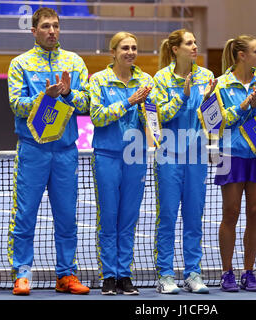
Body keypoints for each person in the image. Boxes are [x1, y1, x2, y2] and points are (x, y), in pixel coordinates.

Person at [7, 7, 90, 295]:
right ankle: (22, 273)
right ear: (34, 31)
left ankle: (66, 275)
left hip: (66, 151)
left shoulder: (75, 62)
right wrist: (45, 96)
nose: (51, 31)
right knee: (25, 214)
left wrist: (66, 94)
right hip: (33, 150)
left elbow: (86, 104)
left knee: (67, 216)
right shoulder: (20, 64)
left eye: (55, 25)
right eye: (45, 26)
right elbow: (16, 105)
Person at [151, 28, 216, 294]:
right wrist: (184, 96)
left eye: (195, 42)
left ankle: (193, 273)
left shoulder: (207, 76)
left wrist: (211, 101)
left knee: (193, 216)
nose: (194, 46)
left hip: (197, 156)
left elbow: (214, 122)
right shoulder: (161, 78)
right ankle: (165, 274)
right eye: (189, 43)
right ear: (176, 49)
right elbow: (159, 116)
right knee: (167, 216)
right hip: (168, 156)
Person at [89, 31, 153, 295]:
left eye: (134, 48)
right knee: (109, 216)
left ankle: (124, 274)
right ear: (113, 52)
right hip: (107, 155)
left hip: (136, 157)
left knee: (128, 218)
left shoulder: (146, 81)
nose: (130, 52)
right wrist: (129, 101)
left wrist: (153, 126)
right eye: (125, 47)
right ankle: (108, 275)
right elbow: (97, 116)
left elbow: (151, 117)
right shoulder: (100, 81)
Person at [214, 35, 256, 292]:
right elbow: (217, 122)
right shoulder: (220, 84)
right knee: (230, 213)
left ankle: (248, 271)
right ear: (242, 55)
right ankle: (227, 272)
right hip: (230, 154)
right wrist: (242, 107)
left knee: (255, 213)